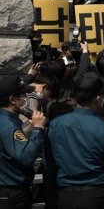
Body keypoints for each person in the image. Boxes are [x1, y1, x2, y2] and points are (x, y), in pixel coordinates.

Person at [44, 73, 104, 209]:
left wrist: (50, 199)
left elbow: (49, 166)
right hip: (97, 195)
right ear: (98, 98)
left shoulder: (56, 125)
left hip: (65, 195)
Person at [0, 75, 47, 209]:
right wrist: (38, 129)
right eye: (22, 95)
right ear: (13, 99)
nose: (25, 98)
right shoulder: (8, 126)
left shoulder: (7, 119)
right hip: (12, 193)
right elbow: (26, 156)